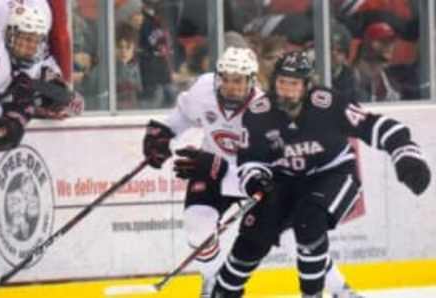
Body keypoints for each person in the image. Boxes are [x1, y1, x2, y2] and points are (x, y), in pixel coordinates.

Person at [142, 47, 365, 298]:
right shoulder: (204, 89)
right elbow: (181, 116)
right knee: (196, 226)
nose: (230, 86)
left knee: (297, 237)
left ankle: (339, 290)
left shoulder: (267, 111)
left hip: (256, 178)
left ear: (252, 80)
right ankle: (213, 282)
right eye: (225, 78)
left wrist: (224, 169)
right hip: (211, 170)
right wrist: (162, 134)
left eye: (238, 80)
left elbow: (271, 166)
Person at [210, 51, 431, 298]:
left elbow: (375, 126)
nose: (286, 89)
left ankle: (312, 294)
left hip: (333, 174)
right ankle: (222, 293)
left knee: (310, 221)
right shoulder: (259, 113)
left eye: (293, 84)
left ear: (306, 86)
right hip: (284, 181)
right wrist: (256, 179)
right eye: (282, 82)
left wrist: (406, 154)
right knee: (252, 239)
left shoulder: (329, 104)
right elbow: (250, 159)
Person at [0, 4, 72, 151]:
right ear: (10, 34)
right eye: (25, 39)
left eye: (35, 41)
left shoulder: (22, 56)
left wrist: (53, 80)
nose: (30, 47)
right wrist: (2, 116)